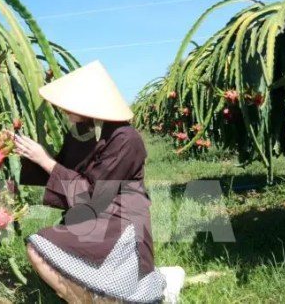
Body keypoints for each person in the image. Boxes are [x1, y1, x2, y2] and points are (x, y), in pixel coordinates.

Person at [14, 60, 173, 303]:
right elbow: (62, 171)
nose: (63, 108)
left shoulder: (126, 140)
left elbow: (92, 196)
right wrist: (24, 154)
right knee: (39, 248)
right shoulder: (81, 134)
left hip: (120, 224)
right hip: (93, 219)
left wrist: (44, 159)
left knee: (40, 248)